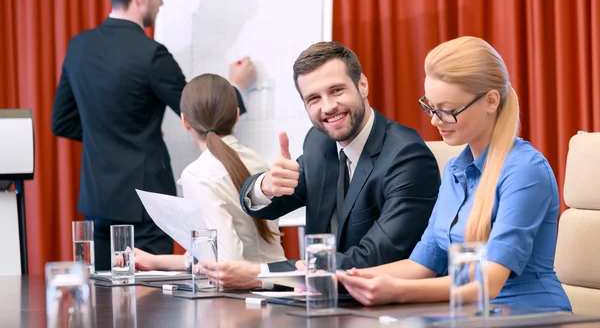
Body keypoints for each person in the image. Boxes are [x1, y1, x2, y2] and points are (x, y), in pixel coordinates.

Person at [51, 0, 256, 271]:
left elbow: (61, 122)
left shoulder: (79, 46)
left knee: (102, 302)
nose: (161, 4)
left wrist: (104, 131)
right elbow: (207, 116)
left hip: (96, 200)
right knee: (149, 304)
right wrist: (237, 86)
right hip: (145, 205)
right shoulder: (151, 55)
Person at [337, 36, 572, 312]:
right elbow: (422, 264)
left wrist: (398, 292)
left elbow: (491, 282)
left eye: (448, 111)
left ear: (491, 101)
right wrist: (342, 279)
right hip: (473, 314)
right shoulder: (454, 171)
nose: (435, 121)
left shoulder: (525, 171)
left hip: (530, 314)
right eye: (431, 107)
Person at [200, 41, 441, 290]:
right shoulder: (319, 141)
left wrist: (262, 274)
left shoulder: (407, 156)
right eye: (314, 98)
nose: (327, 107)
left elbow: (373, 259)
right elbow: (261, 206)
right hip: (324, 301)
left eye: (336, 90)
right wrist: (267, 185)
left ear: (363, 85)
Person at [134, 74, 286, 270]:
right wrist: (156, 262)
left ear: (185, 121)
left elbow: (226, 263)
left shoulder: (197, 175)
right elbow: (219, 257)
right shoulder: (258, 161)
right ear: (237, 115)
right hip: (279, 283)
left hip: (241, 294)